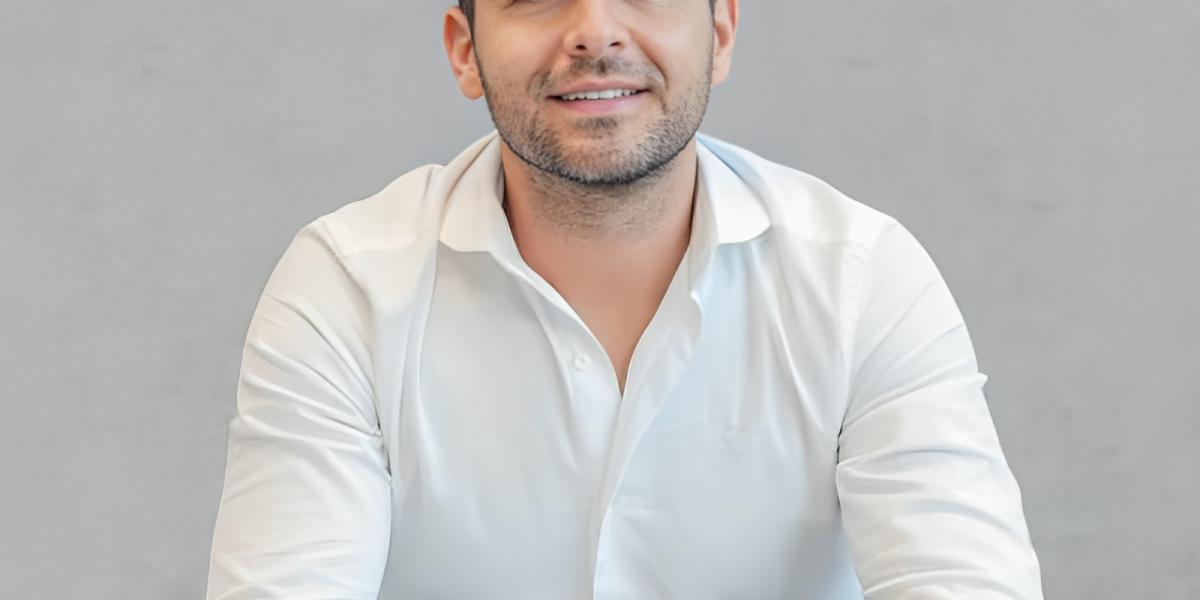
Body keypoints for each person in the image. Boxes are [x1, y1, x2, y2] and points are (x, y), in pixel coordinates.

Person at [205, 1, 1044, 598]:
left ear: (720, 32)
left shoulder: (860, 280)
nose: (595, 30)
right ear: (465, 51)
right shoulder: (349, 287)